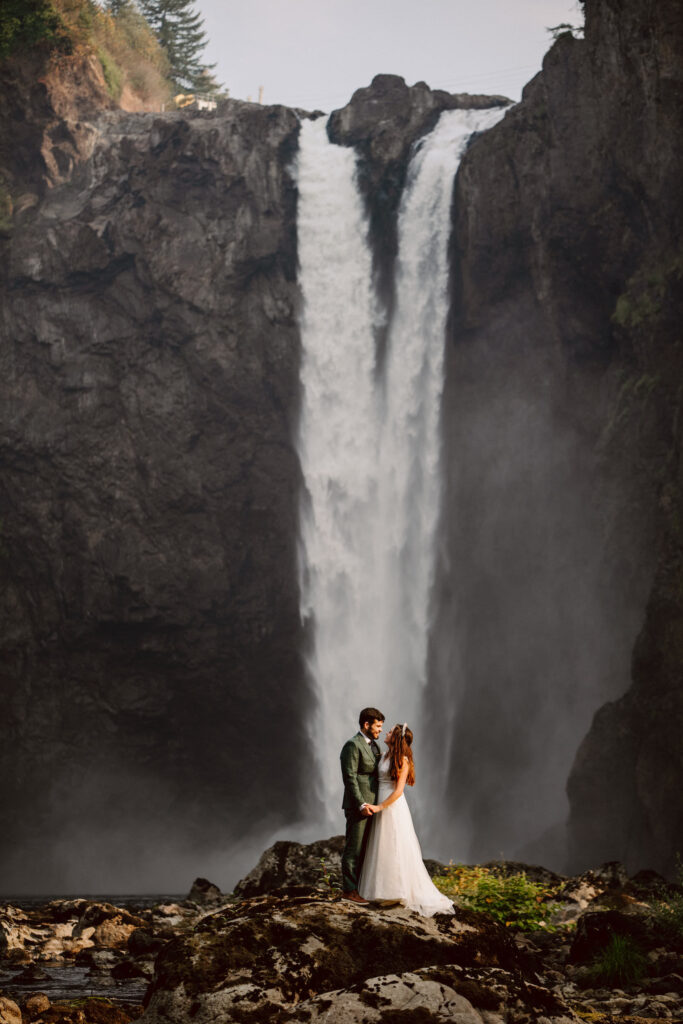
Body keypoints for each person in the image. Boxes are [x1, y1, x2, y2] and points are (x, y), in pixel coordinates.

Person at [359, 723, 454, 917]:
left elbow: (399, 791)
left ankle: (396, 891)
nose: (386, 732)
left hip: (392, 806)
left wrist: (379, 807)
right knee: (380, 845)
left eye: (390, 731)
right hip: (380, 799)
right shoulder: (384, 755)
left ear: (396, 737)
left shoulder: (402, 760)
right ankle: (378, 890)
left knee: (394, 845)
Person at [339, 706, 385, 904]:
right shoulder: (352, 745)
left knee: (367, 848)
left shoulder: (375, 746)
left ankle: (362, 888)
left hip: (374, 804)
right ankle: (349, 891)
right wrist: (360, 804)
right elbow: (349, 778)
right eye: (378, 726)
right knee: (354, 848)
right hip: (360, 805)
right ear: (366, 724)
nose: (380, 730)